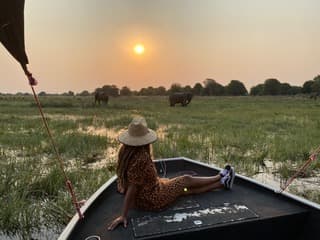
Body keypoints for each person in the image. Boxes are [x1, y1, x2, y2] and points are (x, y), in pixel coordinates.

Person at [107, 117, 235, 231]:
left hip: (143, 198)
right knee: (186, 180)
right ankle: (219, 176)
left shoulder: (125, 152)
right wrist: (123, 215)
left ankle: (221, 184)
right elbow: (133, 187)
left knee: (183, 190)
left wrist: (122, 187)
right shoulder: (141, 157)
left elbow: (127, 180)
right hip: (154, 198)